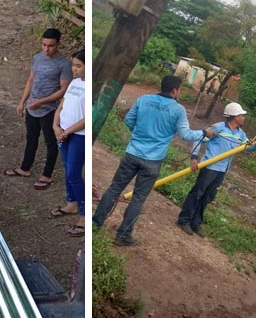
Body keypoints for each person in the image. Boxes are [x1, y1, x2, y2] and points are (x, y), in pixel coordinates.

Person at [92, 75, 216, 246]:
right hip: (152, 161)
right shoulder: (178, 110)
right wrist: (204, 133)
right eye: (179, 89)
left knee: (114, 188)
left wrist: (138, 136)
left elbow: (128, 120)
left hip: (132, 153)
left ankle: (95, 223)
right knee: (138, 198)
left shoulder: (143, 99)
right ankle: (123, 235)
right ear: (174, 90)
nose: (179, 92)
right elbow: (185, 135)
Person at [177, 102, 256, 237]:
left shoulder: (240, 134)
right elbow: (199, 139)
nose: (244, 117)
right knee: (197, 193)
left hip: (222, 170)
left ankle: (196, 223)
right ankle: (184, 220)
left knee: (208, 196)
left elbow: (246, 147)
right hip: (210, 166)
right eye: (242, 115)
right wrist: (194, 157)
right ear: (235, 116)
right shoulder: (218, 128)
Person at [4, 28, 72, 190]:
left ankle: (47, 175)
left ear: (58, 44)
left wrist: (42, 102)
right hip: (32, 106)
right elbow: (31, 80)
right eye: (44, 45)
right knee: (31, 138)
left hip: (50, 110)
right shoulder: (37, 58)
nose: (46, 49)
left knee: (51, 142)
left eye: (51, 46)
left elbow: (63, 90)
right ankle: (25, 168)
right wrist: (22, 102)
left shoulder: (64, 64)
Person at [50, 50, 86, 237]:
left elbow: (88, 118)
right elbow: (61, 106)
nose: (74, 69)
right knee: (67, 169)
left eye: (79, 66)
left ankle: (84, 215)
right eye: (73, 65)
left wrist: (67, 131)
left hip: (78, 136)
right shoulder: (74, 83)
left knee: (73, 173)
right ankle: (71, 203)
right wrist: (56, 125)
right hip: (62, 132)